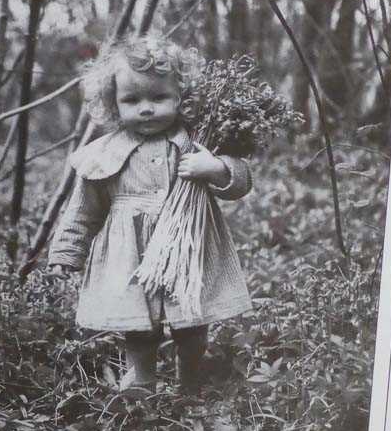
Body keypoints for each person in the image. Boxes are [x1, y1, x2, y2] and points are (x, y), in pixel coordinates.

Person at [48, 34, 252, 393]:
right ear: (113, 104)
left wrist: (216, 167)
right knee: (138, 325)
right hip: (131, 253)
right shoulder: (105, 153)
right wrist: (67, 252)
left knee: (191, 318)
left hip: (187, 246)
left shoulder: (197, 140)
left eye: (158, 98)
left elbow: (239, 182)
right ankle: (141, 377)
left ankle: (190, 377)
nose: (146, 108)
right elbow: (84, 207)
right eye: (132, 100)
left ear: (180, 97)